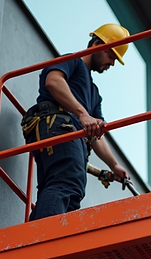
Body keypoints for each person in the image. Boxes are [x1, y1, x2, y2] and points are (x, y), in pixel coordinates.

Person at [22, 23, 130, 221]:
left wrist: (114, 165)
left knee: (68, 194)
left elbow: (96, 134)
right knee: (67, 182)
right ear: (97, 44)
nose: (112, 63)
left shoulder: (94, 94)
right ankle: (44, 239)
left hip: (69, 137)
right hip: (58, 127)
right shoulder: (73, 61)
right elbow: (53, 81)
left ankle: (35, 238)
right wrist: (82, 114)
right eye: (111, 56)